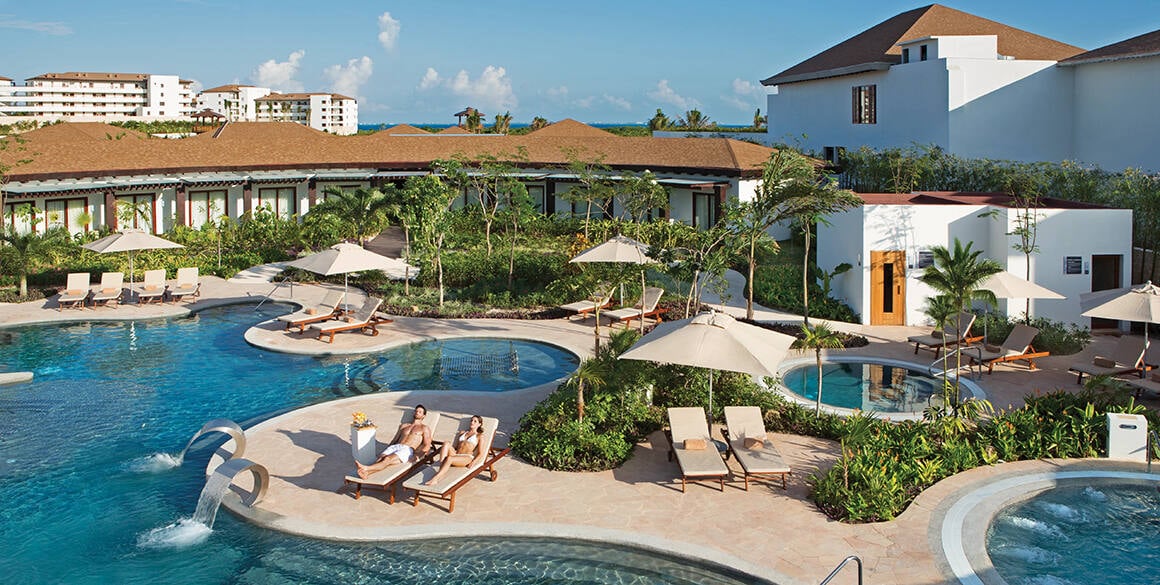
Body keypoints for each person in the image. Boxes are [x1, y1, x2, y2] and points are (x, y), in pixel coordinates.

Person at [355, 405, 433, 479]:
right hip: (396, 446)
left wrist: (417, 456)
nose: (417, 413)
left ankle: (365, 468)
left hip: (407, 450)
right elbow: (395, 440)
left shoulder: (424, 428)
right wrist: (388, 448)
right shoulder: (404, 426)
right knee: (381, 458)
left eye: (420, 412)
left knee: (387, 459)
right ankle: (367, 473)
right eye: (416, 411)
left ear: (423, 416)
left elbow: (427, 445)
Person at [422, 415, 484, 486]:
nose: (472, 422)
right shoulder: (462, 433)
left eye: (475, 421)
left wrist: (473, 462)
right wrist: (449, 450)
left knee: (449, 458)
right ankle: (441, 469)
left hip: (466, 457)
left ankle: (435, 478)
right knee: (446, 443)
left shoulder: (479, 436)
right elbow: (455, 447)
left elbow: (480, 453)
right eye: (471, 420)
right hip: (456, 454)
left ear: (479, 424)